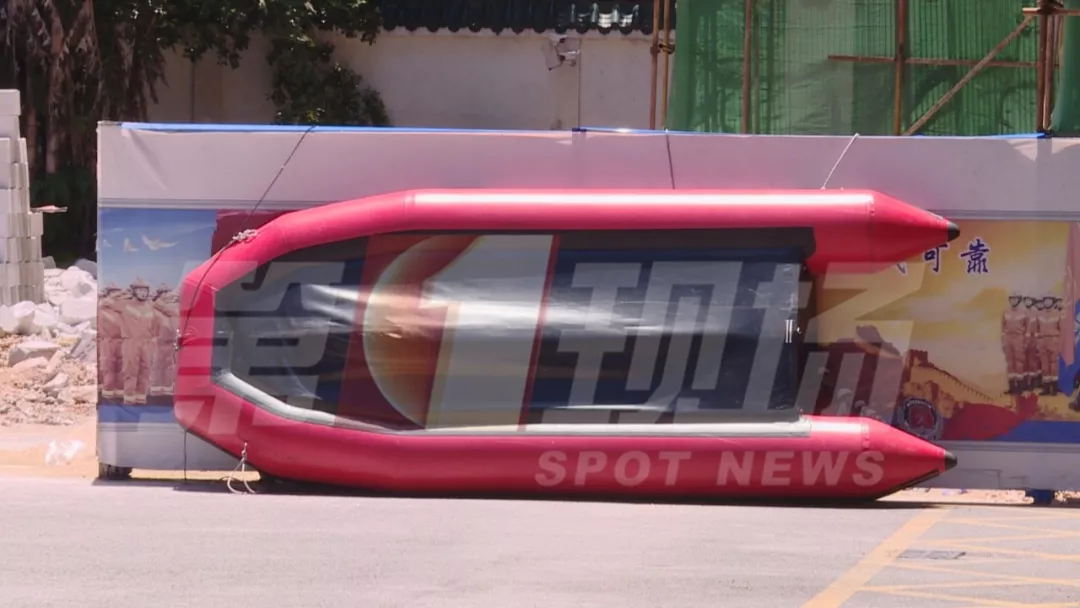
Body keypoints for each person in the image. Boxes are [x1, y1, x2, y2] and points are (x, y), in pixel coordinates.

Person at [120, 278, 156, 405]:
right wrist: (125, 294)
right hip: (131, 342)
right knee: (130, 369)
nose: (143, 293)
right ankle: (129, 397)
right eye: (140, 290)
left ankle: (141, 397)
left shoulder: (151, 306)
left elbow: (155, 324)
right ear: (134, 291)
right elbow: (107, 303)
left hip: (147, 343)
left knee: (145, 369)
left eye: (145, 290)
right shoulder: (125, 305)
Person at [149, 284, 180, 397]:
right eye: (164, 293)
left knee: (169, 366)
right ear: (159, 295)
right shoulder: (153, 310)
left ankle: (167, 389)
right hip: (157, 343)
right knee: (156, 366)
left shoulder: (173, 310)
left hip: (170, 343)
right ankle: (155, 389)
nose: (167, 295)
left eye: (168, 292)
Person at [98, 283, 126, 400]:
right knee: (108, 366)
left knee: (121, 367)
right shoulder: (102, 308)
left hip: (121, 341)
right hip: (108, 341)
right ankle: (108, 393)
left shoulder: (121, 309)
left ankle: (118, 392)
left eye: (117, 292)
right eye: (114, 292)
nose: (116, 295)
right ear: (108, 294)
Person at [1036, 293, 1064, 396]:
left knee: (1054, 365)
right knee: (1044, 365)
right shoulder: (1040, 315)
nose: (1047, 302)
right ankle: (1046, 388)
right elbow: (1037, 329)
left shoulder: (1058, 314)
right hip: (1042, 341)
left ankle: (1054, 389)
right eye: (1045, 300)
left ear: (1053, 302)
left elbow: (1062, 330)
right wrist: (1038, 342)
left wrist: (1060, 343)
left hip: (1054, 340)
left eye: (1049, 300)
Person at [1002, 291, 1028, 395]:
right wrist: (1004, 341)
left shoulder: (1024, 312)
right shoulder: (1005, 311)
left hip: (1019, 338)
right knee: (1010, 362)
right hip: (1008, 338)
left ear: (1019, 300)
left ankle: (1020, 387)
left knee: (1019, 362)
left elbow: (1027, 328)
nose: (1013, 300)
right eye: (1012, 299)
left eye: (1015, 298)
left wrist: (1025, 342)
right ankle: (1012, 386)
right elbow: (1003, 326)